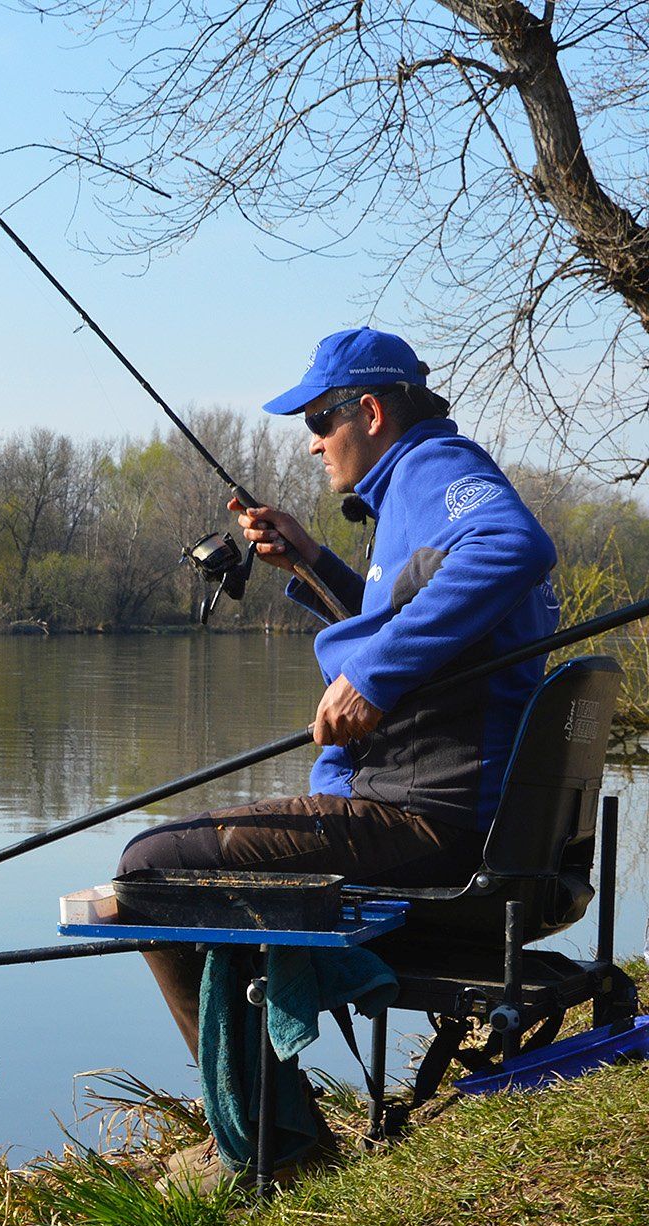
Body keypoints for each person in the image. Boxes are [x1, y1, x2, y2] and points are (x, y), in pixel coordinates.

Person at [124, 327, 560, 1179]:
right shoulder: (408, 493)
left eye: (322, 416)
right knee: (187, 868)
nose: (313, 437)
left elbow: (513, 546)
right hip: (436, 811)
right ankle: (274, 1131)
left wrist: (376, 679)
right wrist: (312, 560)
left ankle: (271, 1151)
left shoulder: (436, 468)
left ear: (370, 408)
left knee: (148, 871)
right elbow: (405, 618)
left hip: (422, 822)